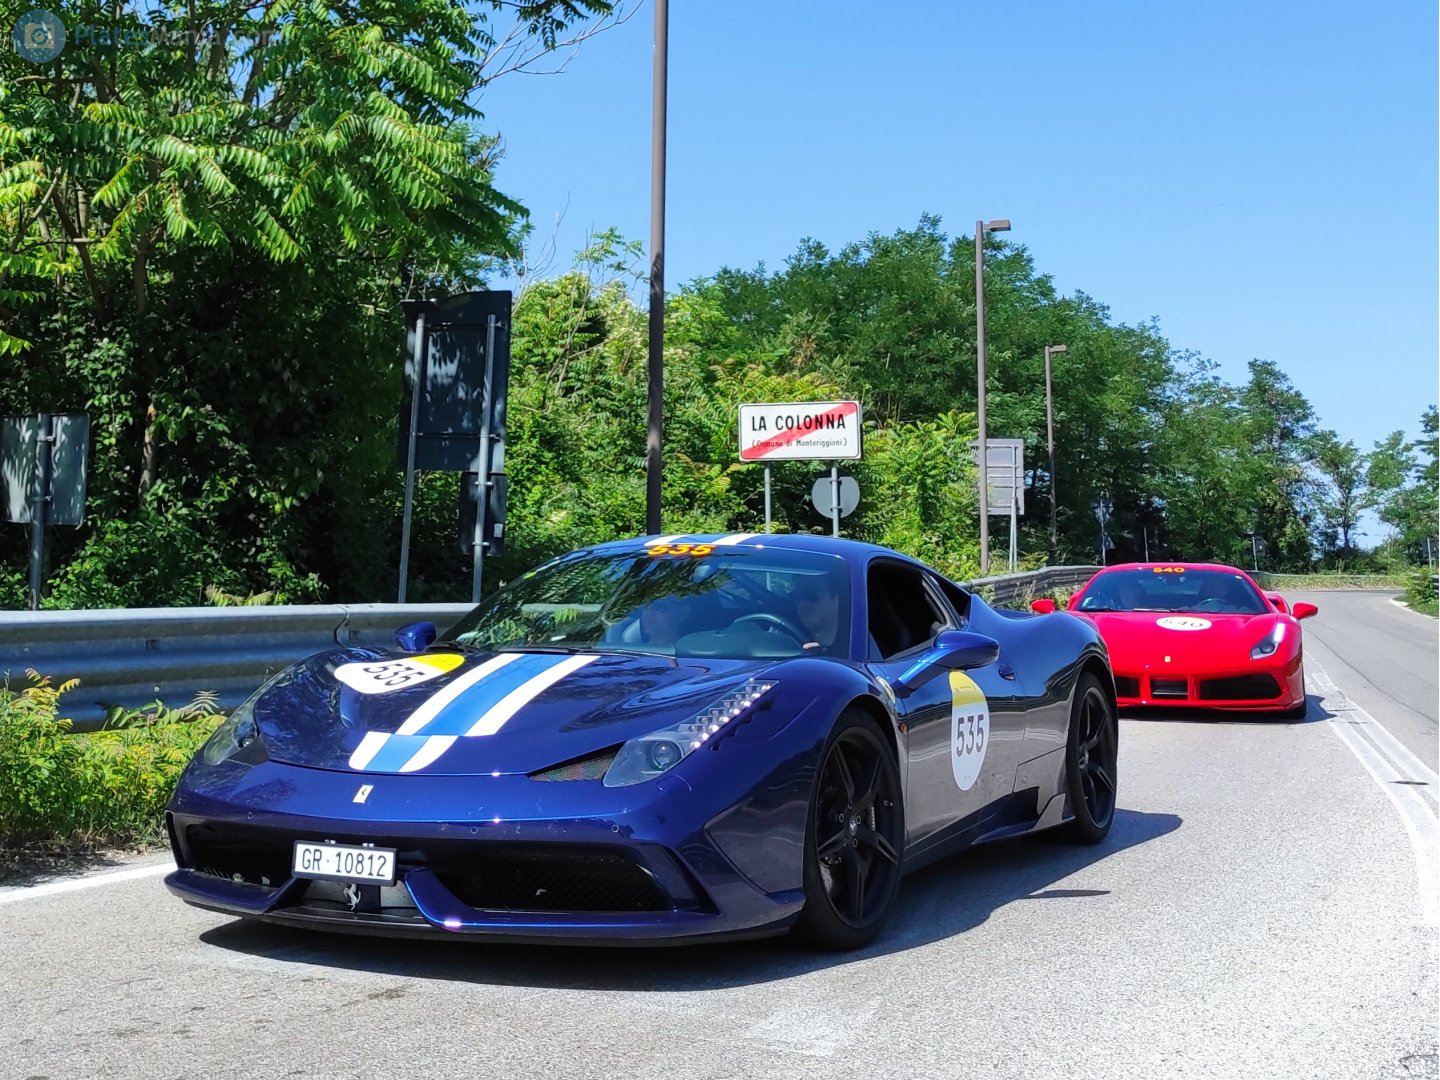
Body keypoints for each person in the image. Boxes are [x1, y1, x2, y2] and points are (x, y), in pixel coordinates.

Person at [794, 574, 842, 650]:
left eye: (812, 594)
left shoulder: (861, 644)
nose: (803, 603)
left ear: (837, 600)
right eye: (796, 596)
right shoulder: (789, 645)